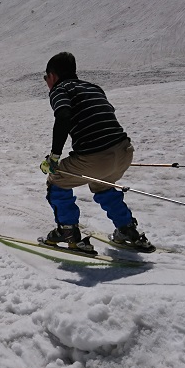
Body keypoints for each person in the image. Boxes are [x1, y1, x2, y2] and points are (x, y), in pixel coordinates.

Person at [40, 52, 154, 253]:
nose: (46, 82)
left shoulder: (60, 89)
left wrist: (54, 156)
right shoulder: (93, 87)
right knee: (102, 185)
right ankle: (127, 230)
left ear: (53, 76)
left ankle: (67, 233)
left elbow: (63, 116)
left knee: (56, 180)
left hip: (96, 157)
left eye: (45, 78)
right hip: (124, 151)